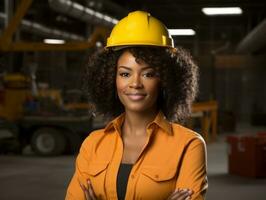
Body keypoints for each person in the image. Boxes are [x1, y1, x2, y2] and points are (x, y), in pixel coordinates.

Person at [66, 10, 208, 200]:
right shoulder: (93, 144)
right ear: (110, 80)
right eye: (125, 74)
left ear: (165, 80)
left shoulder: (189, 146)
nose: (135, 83)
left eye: (148, 74)